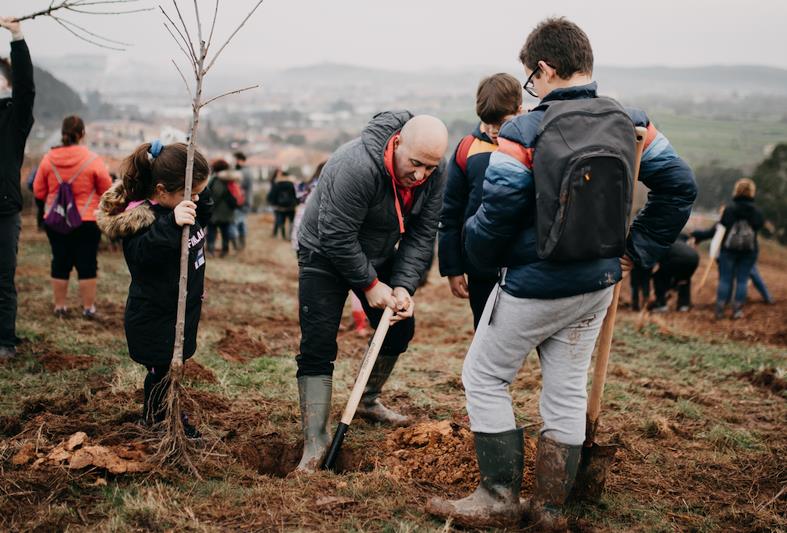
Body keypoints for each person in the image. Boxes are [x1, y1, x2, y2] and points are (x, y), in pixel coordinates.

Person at [426, 18, 697, 528]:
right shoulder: (633, 122)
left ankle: (499, 496)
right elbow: (680, 185)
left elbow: (498, 208)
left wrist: (478, 258)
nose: (530, 88)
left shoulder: (524, 130)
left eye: (531, 78)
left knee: (483, 377)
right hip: (597, 286)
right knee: (567, 389)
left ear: (545, 69)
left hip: (532, 285)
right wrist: (634, 251)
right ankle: (550, 509)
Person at [295, 112, 448, 471]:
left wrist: (402, 286)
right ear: (397, 143)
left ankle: (367, 399)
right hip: (323, 252)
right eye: (415, 164)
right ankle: (316, 439)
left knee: (399, 327)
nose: (421, 175)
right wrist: (369, 285)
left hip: (378, 252)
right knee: (318, 341)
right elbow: (335, 236)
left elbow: (423, 234)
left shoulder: (435, 174)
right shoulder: (355, 166)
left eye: (430, 167)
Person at [96, 141, 212, 438]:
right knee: (161, 374)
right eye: (192, 193)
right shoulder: (144, 221)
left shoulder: (184, 206)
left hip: (179, 311)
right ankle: (163, 421)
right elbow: (141, 256)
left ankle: (158, 415)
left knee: (169, 370)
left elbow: (203, 213)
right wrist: (171, 226)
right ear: (161, 191)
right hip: (155, 317)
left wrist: (195, 190)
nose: (198, 199)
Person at [438, 73, 522, 329]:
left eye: (502, 122)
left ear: (519, 110)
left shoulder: (534, 144)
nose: (494, 130)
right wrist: (453, 268)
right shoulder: (467, 149)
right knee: (486, 332)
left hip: (523, 266)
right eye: (488, 122)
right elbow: (450, 211)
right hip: (481, 269)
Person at [33, 115, 112, 319]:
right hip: (86, 219)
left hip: (56, 219)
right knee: (87, 264)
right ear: (83, 134)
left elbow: (39, 191)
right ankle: (88, 308)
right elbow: (106, 189)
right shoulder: (92, 160)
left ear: (63, 133)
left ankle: (60, 307)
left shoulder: (48, 159)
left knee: (59, 261)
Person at [0, 16, 34, 360]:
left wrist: (17, 36)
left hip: (4, 211)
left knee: (3, 281)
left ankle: (4, 342)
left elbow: (26, 88)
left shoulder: (14, 118)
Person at [692, 178, 764, 319]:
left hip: (729, 250)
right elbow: (758, 226)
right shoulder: (757, 212)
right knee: (742, 280)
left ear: (736, 191)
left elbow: (719, 229)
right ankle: (737, 310)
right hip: (749, 251)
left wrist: (698, 235)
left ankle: (719, 310)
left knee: (725, 279)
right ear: (752, 192)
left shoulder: (729, 210)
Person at [650, 235, 699, 312]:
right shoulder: (681, 243)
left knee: (658, 277)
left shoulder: (663, 244)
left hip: (678, 259)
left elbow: (659, 263)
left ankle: (661, 304)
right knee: (684, 280)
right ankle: (684, 305)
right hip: (694, 258)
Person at [206, 159, 244, 257]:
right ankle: (225, 251)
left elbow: (212, 194)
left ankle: (210, 250)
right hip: (228, 212)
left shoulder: (215, 179)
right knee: (225, 233)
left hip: (215, 211)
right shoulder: (231, 179)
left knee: (211, 231)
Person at [267, 169, 298, 239]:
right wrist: (296, 203)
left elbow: (271, 196)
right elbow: (296, 195)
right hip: (291, 207)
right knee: (291, 221)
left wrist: (273, 203)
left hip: (280, 207)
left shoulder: (277, 185)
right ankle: (290, 235)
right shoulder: (291, 184)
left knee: (282, 222)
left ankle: (283, 236)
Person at [233, 151, 254, 249]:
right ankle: (241, 245)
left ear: (240, 160)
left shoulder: (243, 172)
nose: (235, 162)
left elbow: (238, 185)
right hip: (245, 201)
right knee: (241, 222)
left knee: (237, 222)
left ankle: (238, 246)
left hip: (242, 201)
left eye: (236, 160)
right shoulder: (247, 171)